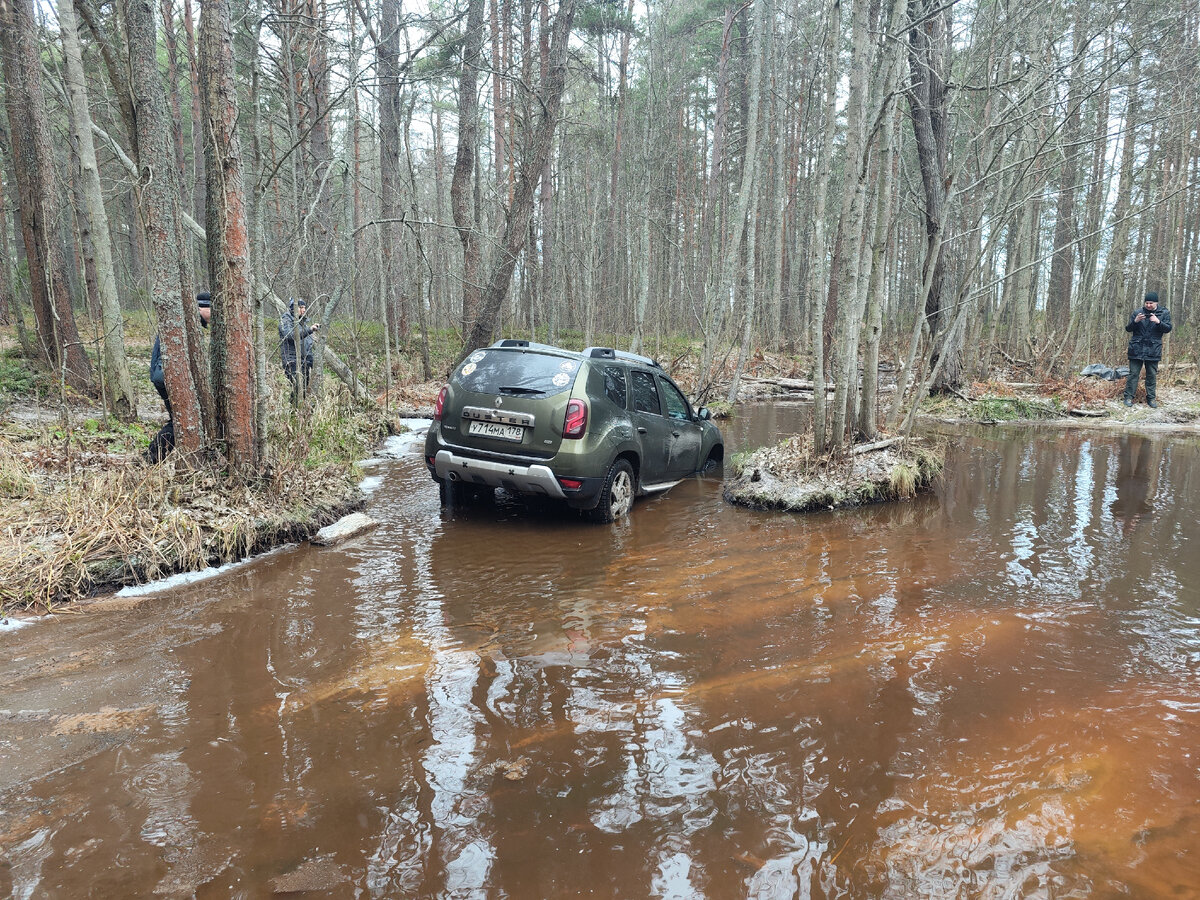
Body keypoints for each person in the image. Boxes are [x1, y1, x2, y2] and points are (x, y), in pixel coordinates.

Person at [148, 293, 211, 462]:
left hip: (164, 376)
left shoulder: (188, 321)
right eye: (212, 309)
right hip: (167, 377)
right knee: (180, 421)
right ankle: (151, 457)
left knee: (180, 420)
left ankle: (152, 457)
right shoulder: (187, 323)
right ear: (200, 308)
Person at [1122, 291, 1172, 408]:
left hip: (1153, 349)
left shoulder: (1164, 313)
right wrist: (1135, 321)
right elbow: (1128, 329)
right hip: (1136, 348)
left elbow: (1168, 328)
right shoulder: (1137, 312)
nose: (1148, 305)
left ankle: (1151, 399)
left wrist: (1158, 322)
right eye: (1147, 303)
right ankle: (1128, 397)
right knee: (1133, 374)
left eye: (1151, 303)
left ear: (1156, 303)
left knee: (1151, 375)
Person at [279, 298, 320, 402]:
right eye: (300, 307)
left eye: (304, 307)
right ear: (293, 308)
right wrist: (309, 330)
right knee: (297, 388)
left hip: (304, 361)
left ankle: (300, 413)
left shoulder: (303, 323)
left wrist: (311, 361)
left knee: (304, 389)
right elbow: (291, 335)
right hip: (291, 360)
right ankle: (294, 413)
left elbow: (306, 344)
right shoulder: (285, 320)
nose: (303, 310)